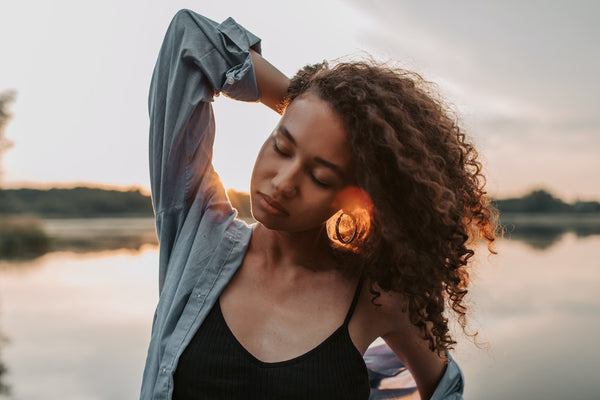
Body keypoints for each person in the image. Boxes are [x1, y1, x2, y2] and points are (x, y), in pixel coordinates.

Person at [140, 9, 496, 400]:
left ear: (358, 196)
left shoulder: (379, 295)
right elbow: (189, 40)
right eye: (282, 146)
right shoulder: (197, 240)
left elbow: (447, 389)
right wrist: (307, 100)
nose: (284, 182)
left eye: (320, 177)